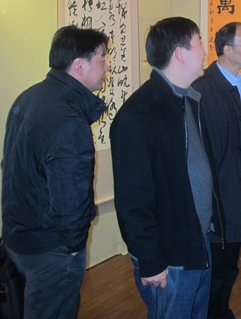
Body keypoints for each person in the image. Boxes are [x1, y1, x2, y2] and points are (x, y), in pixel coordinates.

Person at [110, 17, 223, 319]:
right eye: (199, 42)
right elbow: (132, 200)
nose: (205, 51)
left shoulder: (187, 101)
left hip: (196, 240)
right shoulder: (139, 114)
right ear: (180, 53)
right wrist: (150, 260)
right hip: (170, 255)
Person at [1, 25, 109, 319]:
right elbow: (70, 197)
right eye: (102, 59)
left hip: (19, 237)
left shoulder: (28, 97)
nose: (106, 67)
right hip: (50, 249)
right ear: (79, 65)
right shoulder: (68, 120)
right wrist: (73, 247)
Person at [193, 22, 241, 319]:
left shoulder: (238, 85)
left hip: (238, 194)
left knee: (229, 267)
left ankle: (221, 311)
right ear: (227, 49)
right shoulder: (203, 88)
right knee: (215, 270)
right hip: (217, 201)